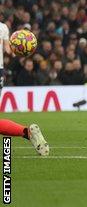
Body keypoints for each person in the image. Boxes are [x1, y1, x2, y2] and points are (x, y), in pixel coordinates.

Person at [0, 21, 49, 156]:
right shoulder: (2, 27)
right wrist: (23, 50)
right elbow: (9, 51)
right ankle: (27, 133)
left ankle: (27, 133)